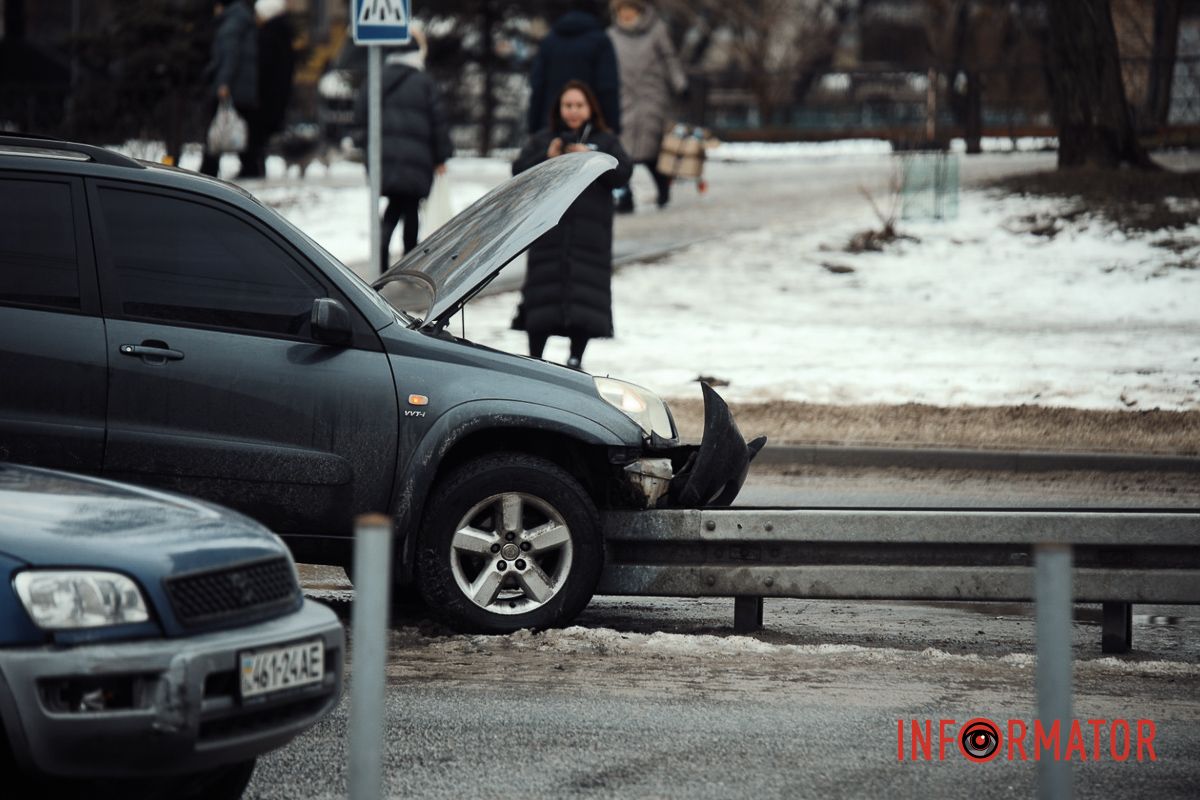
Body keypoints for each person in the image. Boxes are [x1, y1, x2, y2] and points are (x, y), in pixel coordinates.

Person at [512, 80, 633, 370]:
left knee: (585, 296)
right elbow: (518, 172)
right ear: (559, 109)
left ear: (590, 108)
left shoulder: (605, 141)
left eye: (579, 105)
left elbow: (623, 173)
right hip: (547, 234)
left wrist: (590, 158)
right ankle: (535, 357)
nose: (573, 111)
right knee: (542, 294)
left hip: (589, 236)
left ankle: (577, 356)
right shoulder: (544, 139)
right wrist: (548, 157)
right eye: (568, 105)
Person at [354, 24, 453, 271]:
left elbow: (360, 117)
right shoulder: (424, 82)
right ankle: (410, 262)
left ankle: (382, 256)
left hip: (384, 158)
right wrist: (441, 156)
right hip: (416, 159)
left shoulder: (375, 79)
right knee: (410, 209)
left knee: (394, 207)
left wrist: (366, 148)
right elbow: (438, 121)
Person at [608, 0, 686, 212]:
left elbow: (669, 58)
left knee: (652, 150)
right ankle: (625, 196)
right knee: (623, 152)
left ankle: (663, 188)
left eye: (629, 9)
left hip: (652, 95)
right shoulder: (611, 36)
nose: (626, 14)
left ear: (638, 10)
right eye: (621, 10)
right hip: (624, 98)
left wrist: (680, 84)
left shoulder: (656, 31)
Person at [526, 0, 621, 138]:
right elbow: (608, 87)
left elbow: (538, 85)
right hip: (591, 128)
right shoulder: (601, 41)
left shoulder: (549, 41)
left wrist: (533, 126)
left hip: (550, 126)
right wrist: (612, 127)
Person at [199, 0, 258, 178]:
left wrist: (223, 83)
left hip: (233, 87)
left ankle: (208, 170)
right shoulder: (243, 21)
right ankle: (250, 168)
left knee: (218, 127)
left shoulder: (231, 25)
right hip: (244, 88)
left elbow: (229, 56)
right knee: (238, 128)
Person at [239, 0, 295, 179]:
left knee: (255, 135)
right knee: (259, 137)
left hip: (264, 96)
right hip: (276, 95)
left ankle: (253, 169)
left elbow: (263, 68)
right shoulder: (283, 34)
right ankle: (256, 167)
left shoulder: (267, 36)